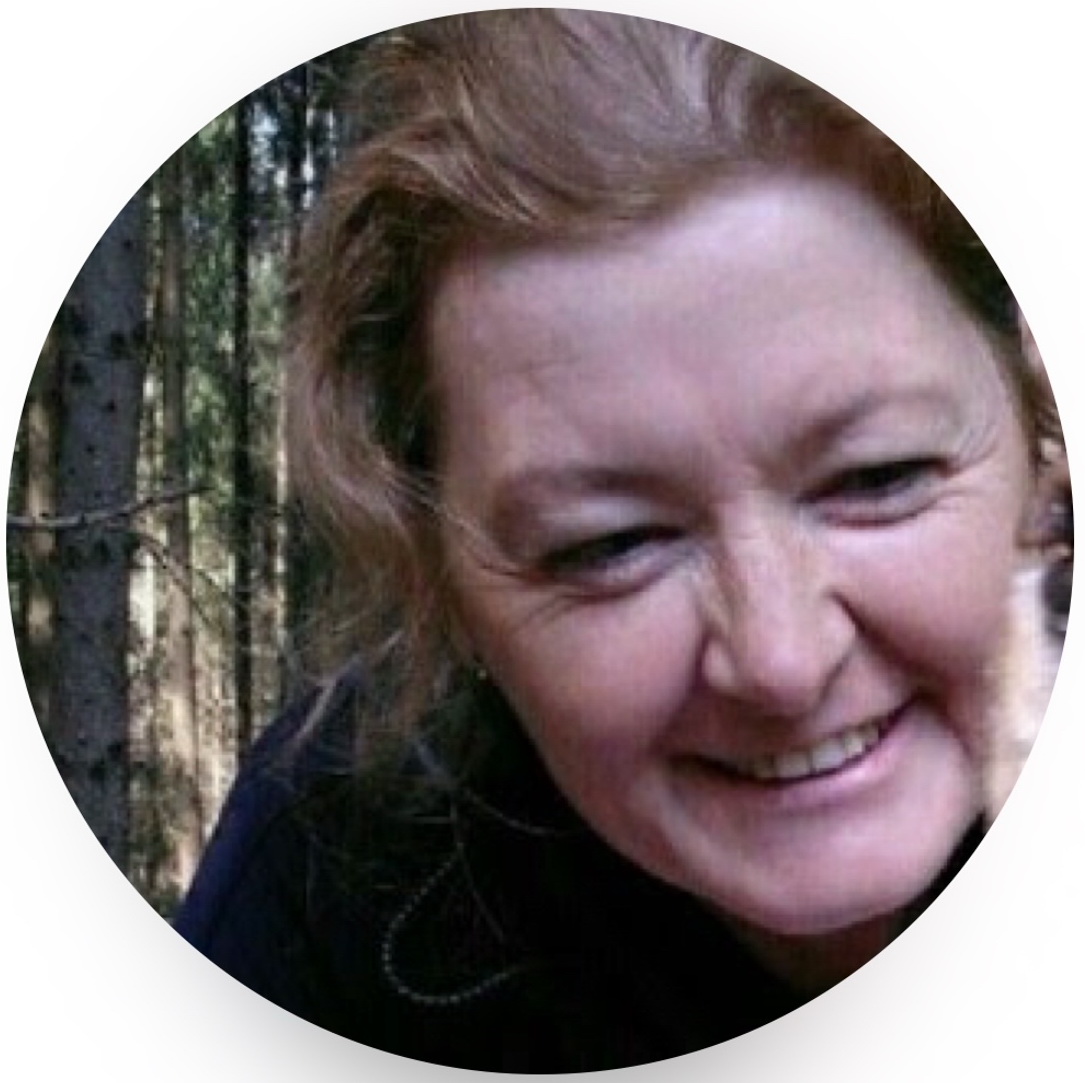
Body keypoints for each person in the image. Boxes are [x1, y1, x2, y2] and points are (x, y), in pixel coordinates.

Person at [175, 9, 1070, 1072]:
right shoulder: (340, 882)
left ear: (1041, 447)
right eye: (607, 546)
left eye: (876, 479)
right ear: (440, 582)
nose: (780, 662)